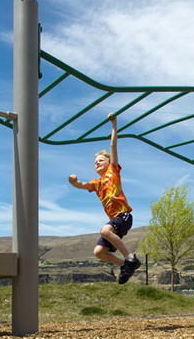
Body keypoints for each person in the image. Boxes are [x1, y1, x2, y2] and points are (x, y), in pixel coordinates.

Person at [68, 113, 141, 284]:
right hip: (115, 219)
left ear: (108, 163)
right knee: (99, 252)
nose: (97, 163)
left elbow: (113, 145)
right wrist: (73, 182)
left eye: (101, 160)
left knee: (105, 231)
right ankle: (125, 264)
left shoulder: (113, 171)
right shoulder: (97, 183)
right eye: (95, 162)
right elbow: (81, 185)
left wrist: (114, 124)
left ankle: (130, 258)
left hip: (123, 215)